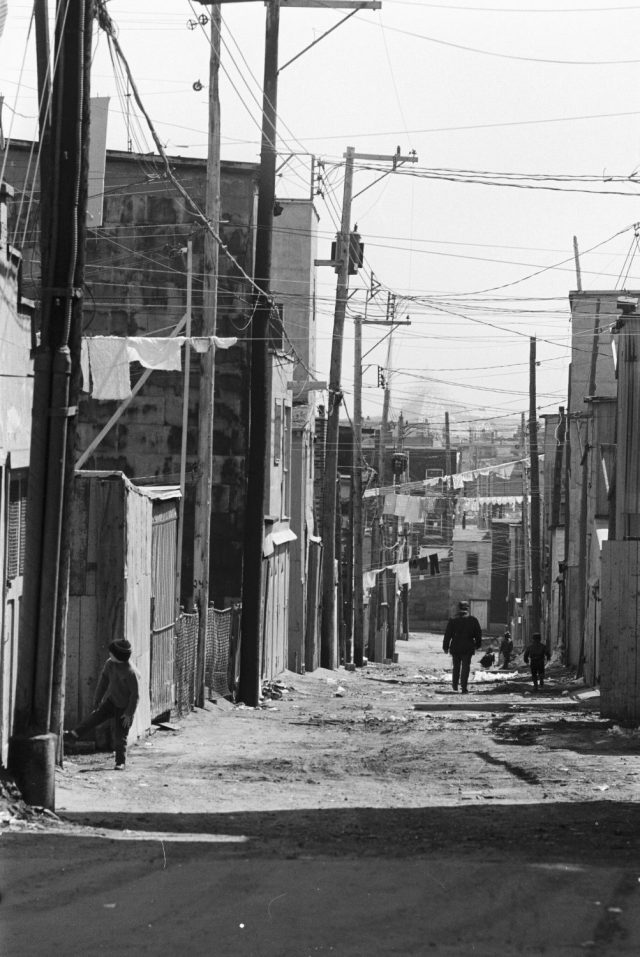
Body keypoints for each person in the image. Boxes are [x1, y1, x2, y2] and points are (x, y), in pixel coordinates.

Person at [64, 638, 140, 770]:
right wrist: (97, 700)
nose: (109, 654)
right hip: (112, 701)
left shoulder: (130, 672)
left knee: (120, 735)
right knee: (94, 718)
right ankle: (73, 735)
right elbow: (103, 682)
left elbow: (135, 696)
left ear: (119, 656)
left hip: (125, 708)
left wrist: (129, 713)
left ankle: (120, 762)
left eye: (111, 653)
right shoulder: (110, 664)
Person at [443, 600, 483, 694]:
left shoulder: (453, 620)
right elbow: (478, 634)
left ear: (458, 608)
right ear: (467, 608)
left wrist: (445, 647)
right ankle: (464, 687)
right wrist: (478, 644)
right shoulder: (473, 620)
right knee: (466, 667)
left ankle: (455, 685)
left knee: (456, 666)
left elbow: (447, 634)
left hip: (455, 647)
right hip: (468, 647)